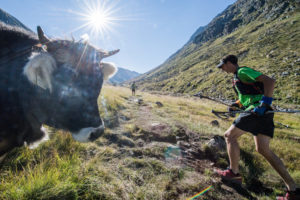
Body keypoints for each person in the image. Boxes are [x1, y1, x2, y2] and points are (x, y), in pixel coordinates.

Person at [215, 55, 300, 200]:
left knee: (229, 136)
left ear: (229, 63)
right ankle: (293, 190)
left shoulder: (242, 71)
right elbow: (247, 97)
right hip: (263, 114)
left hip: (258, 111)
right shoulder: (237, 78)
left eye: (222, 66)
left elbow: (270, 81)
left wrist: (265, 103)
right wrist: (237, 105)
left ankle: (233, 173)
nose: (222, 69)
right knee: (263, 149)